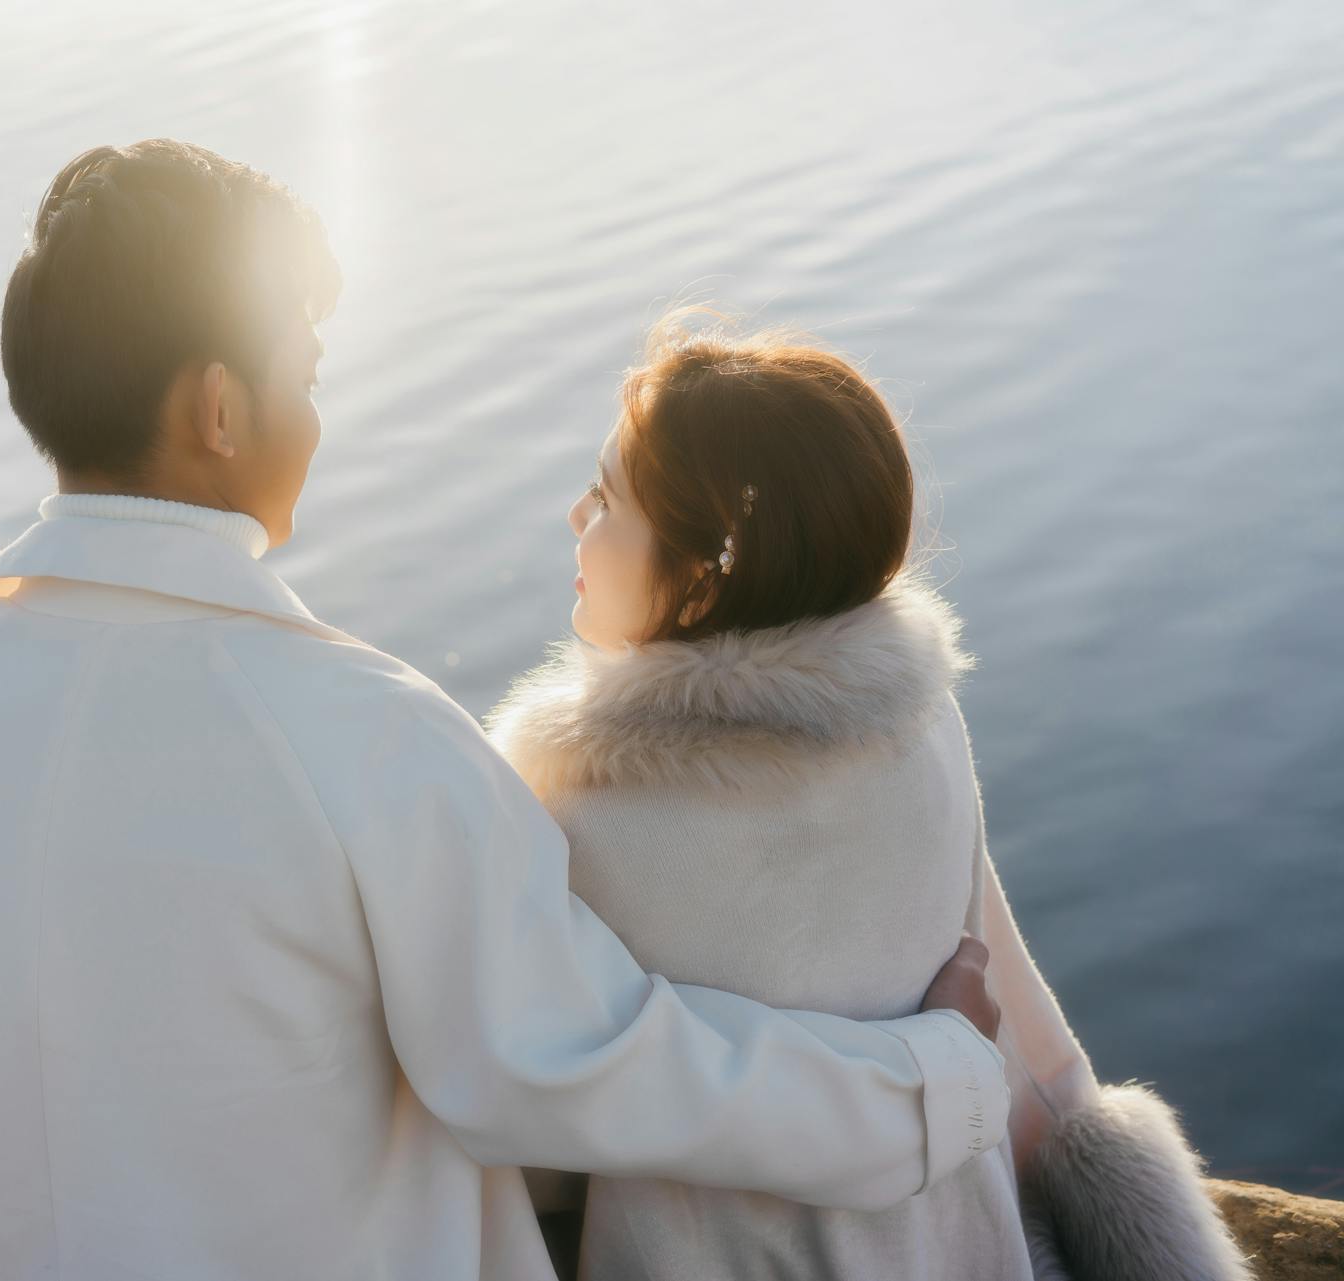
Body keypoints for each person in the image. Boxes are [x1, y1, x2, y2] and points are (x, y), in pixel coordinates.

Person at [0, 139, 1012, 1281]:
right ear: (220, 413)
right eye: (305, 377)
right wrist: (933, 1081)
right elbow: (584, 1064)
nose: (316, 421)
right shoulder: (361, 739)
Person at [494, 312, 1253, 1281]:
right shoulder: (922, 733)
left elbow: (542, 1142)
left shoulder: (572, 821)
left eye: (605, 498)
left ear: (698, 578)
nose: (575, 517)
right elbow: (1017, 1032)